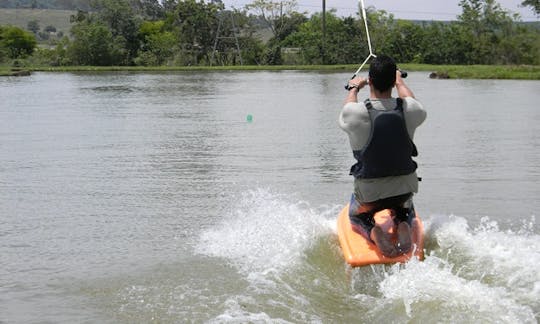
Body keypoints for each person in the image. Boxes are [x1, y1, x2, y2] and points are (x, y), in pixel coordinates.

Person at [339, 55, 426, 257]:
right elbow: (412, 101)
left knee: (356, 216)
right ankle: (403, 221)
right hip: (404, 189)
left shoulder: (356, 113)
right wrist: (400, 81)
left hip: (369, 194)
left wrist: (354, 87)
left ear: (370, 80)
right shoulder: (410, 110)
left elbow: (347, 108)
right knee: (406, 208)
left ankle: (372, 230)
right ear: (393, 83)